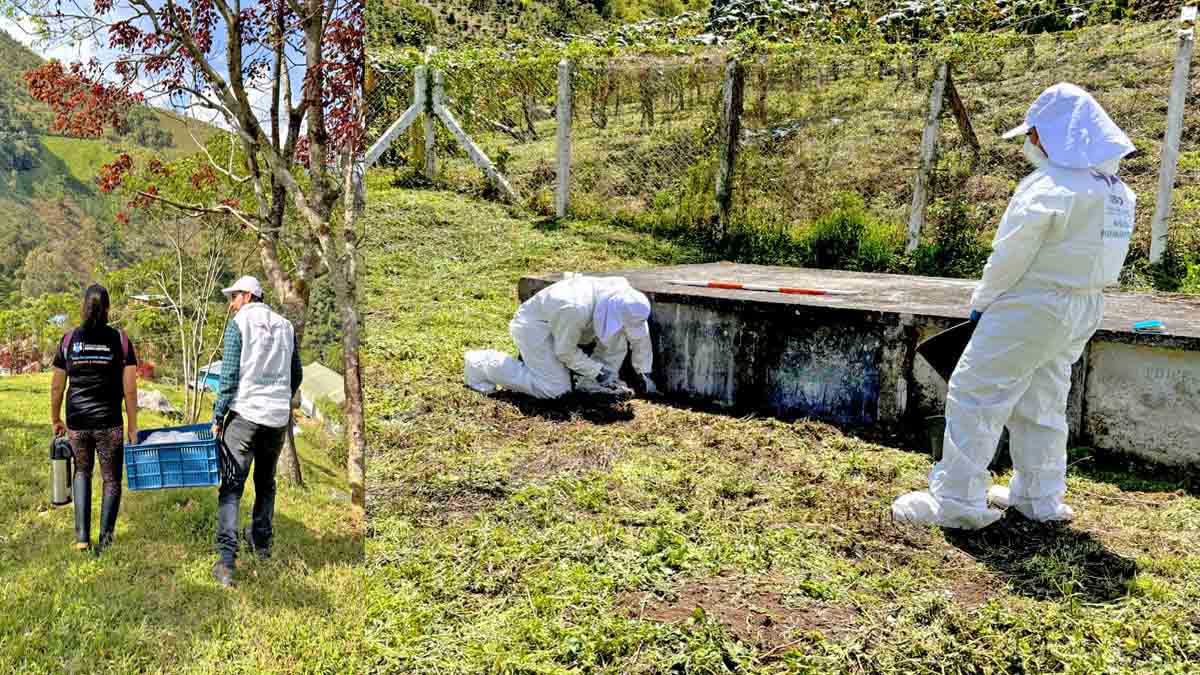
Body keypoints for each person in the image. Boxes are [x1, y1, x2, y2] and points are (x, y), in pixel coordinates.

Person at [893, 82, 1137, 530]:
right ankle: (1039, 498)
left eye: (1035, 133)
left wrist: (983, 302)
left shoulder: (1049, 186)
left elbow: (1009, 256)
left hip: (1032, 303)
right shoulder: (1117, 190)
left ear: (1056, 133)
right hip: (1084, 306)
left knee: (975, 393)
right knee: (1043, 399)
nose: (1031, 143)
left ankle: (957, 502)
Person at [210, 275, 302, 588]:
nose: (231, 304)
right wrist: (277, 397)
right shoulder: (285, 326)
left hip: (245, 415)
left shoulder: (240, 324)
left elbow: (229, 376)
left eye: (234, 297)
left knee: (232, 487)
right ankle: (261, 545)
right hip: (276, 419)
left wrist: (218, 415)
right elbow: (297, 373)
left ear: (248, 296)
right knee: (266, 483)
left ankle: (226, 560)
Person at [464, 275, 659, 399]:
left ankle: (590, 385)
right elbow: (565, 351)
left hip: (571, 325)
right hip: (536, 328)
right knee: (555, 389)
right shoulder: (573, 307)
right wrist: (597, 371)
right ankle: (481, 364)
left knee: (617, 340)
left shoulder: (625, 297)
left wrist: (645, 372)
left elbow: (639, 336)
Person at [50, 284, 138, 555]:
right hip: (109, 423)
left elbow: (57, 386)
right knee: (111, 480)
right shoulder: (121, 341)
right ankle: (106, 542)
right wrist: (133, 425)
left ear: (83, 307)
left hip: (77, 423)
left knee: (81, 471)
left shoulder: (69, 340)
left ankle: (82, 538)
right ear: (108, 309)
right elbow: (130, 389)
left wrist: (55, 417)